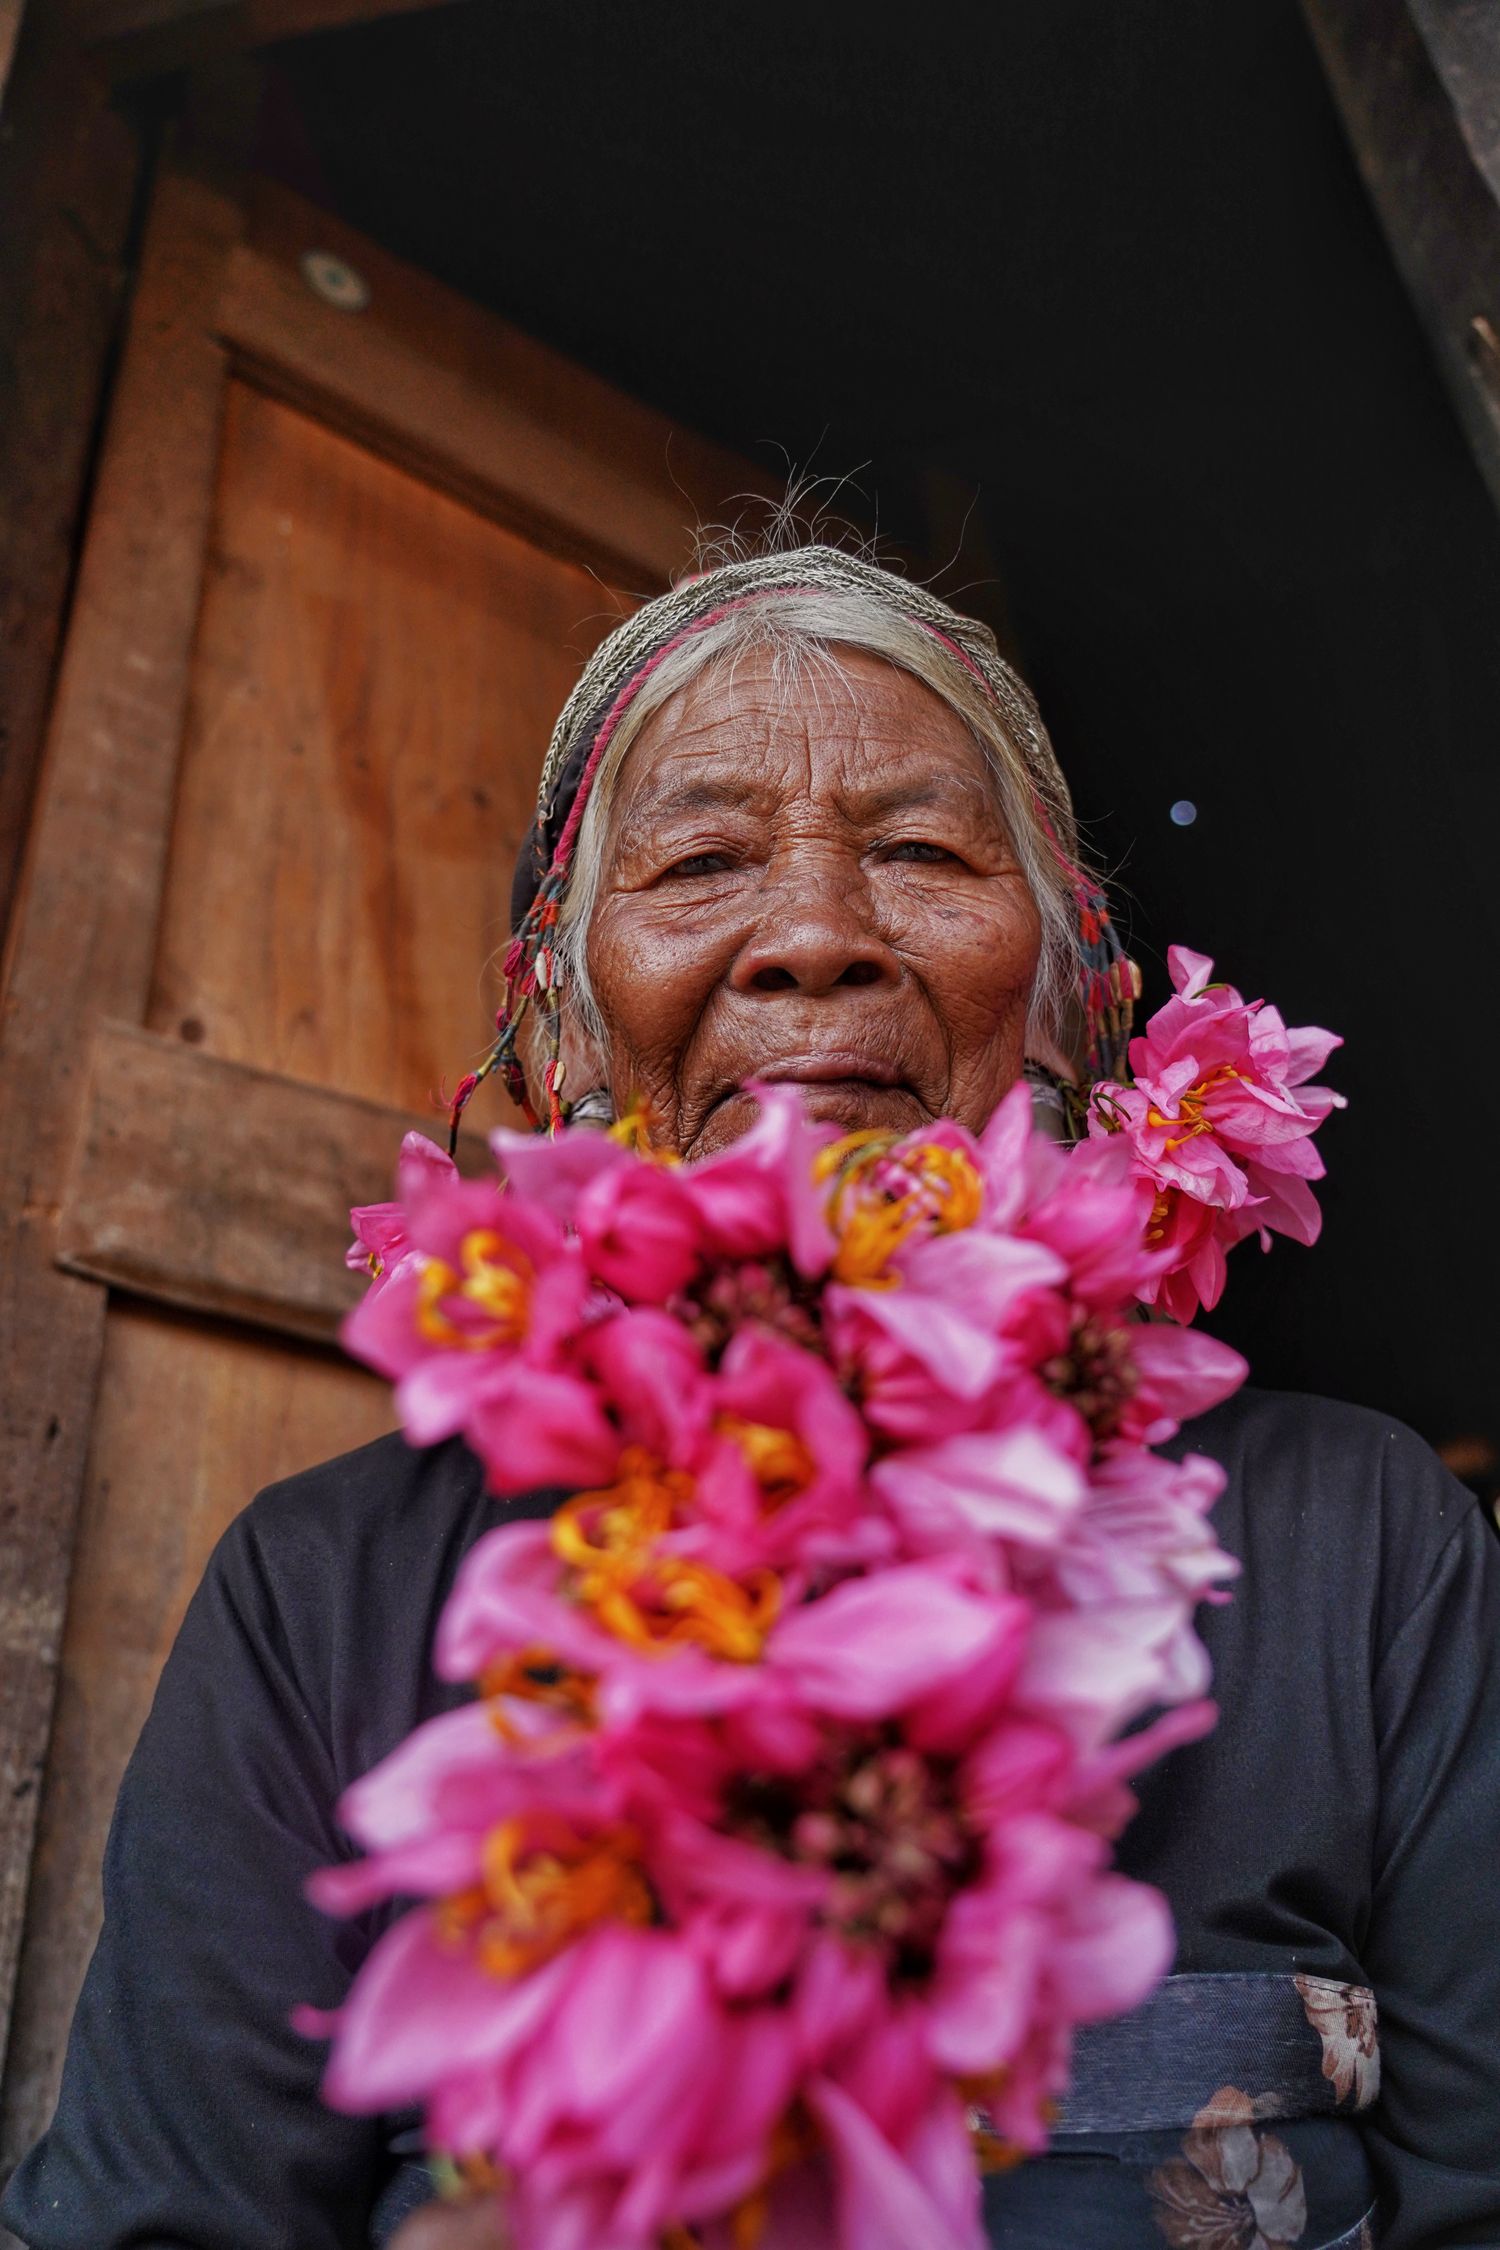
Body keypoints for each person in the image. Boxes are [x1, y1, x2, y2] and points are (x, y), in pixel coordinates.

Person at [4, 546, 1498, 2250]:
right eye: (702, 861)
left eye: (924, 853)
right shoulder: (324, 1591)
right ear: (563, 1036)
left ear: (1077, 1000)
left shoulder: (1364, 1543)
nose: (811, 938)